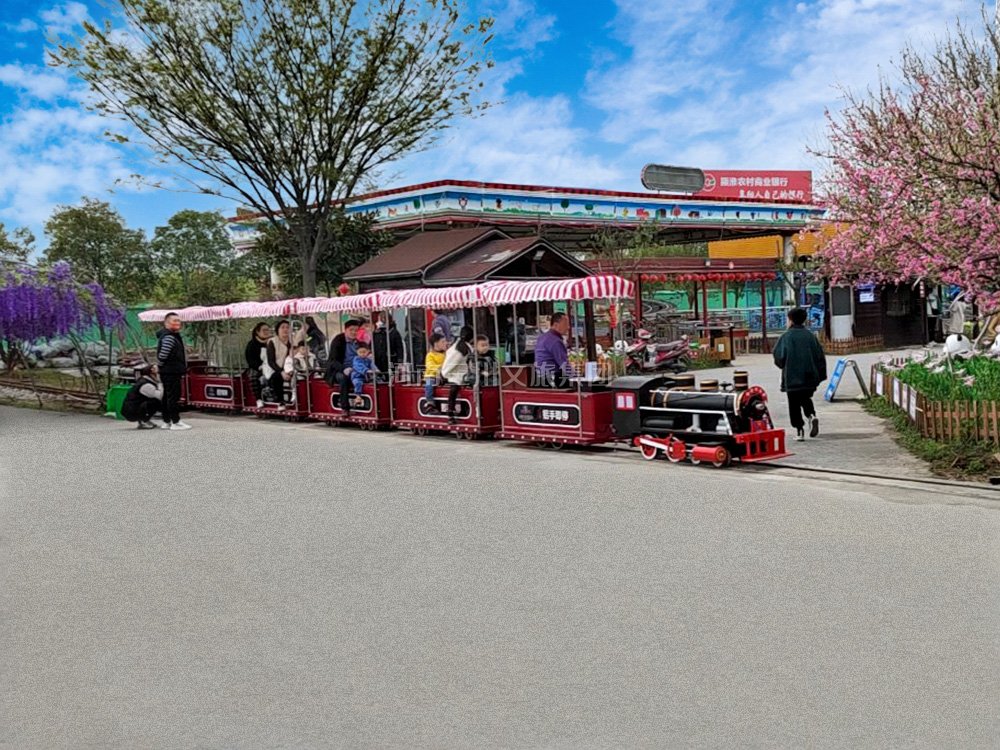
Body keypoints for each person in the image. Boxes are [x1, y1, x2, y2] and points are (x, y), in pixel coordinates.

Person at [773, 307, 828, 442]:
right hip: (809, 377)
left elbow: (779, 357)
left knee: (794, 404)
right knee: (805, 398)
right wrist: (820, 375)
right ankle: (811, 415)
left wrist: (783, 366)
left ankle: (799, 430)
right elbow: (820, 356)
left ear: (790, 320)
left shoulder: (786, 337)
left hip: (792, 377)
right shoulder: (810, 336)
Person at [156, 312, 190, 430]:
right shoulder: (169, 337)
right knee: (173, 397)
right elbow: (163, 355)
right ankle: (176, 421)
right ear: (166, 323)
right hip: (171, 371)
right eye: (174, 320)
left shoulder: (168, 336)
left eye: (178, 321)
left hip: (168, 371)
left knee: (167, 396)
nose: (177, 323)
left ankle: (167, 421)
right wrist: (162, 366)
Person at [325, 318, 361, 412]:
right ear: (345, 330)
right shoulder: (338, 340)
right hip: (338, 369)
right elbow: (333, 361)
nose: (354, 332)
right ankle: (344, 407)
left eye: (356, 330)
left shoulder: (358, 343)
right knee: (343, 378)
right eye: (351, 330)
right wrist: (344, 369)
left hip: (356, 368)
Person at [440, 326, 474, 423]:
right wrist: (444, 374)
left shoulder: (461, 346)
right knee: (454, 389)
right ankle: (450, 413)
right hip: (455, 375)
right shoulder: (460, 349)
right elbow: (450, 363)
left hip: (461, 374)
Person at [533, 312, 572, 388]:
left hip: (540, 377)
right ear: (556, 324)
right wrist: (577, 377)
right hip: (552, 379)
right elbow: (564, 364)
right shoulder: (555, 341)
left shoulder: (542, 337)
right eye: (565, 324)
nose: (568, 327)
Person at [121, 363, 162, 429]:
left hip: (132, 409)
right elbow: (160, 396)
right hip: (131, 412)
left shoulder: (144, 381)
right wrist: (161, 383)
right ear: (151, 373)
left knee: (153, 401)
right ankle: (144, 420)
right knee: (155, 402)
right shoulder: (146, 385)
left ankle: (145, 420)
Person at [263, 319, 293, 410]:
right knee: (277, 377)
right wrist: (281, 372)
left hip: (290, 367)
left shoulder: (292, 341)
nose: (285, 330)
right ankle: (281, 402)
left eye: (287, 327)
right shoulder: (272, 341)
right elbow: (271, 361)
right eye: (282, 327)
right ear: (278, 330)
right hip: (274, 369)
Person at [245, 322, 271, 408]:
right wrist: (259, 367)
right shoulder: (252, 344)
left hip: (271, 365)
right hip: (257, 367)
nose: (266, 332)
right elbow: (250, 360)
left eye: (268, 330)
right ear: (258, 331)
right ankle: (258, 399)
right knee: (253, 376)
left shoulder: (271, 342)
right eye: (264, 330)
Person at [423, 333, 448, 412]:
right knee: (429, 384)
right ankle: (430, 402)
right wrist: (440, 368)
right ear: (436, 344)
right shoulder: (430, 355)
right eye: (443, 342)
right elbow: (430, 366)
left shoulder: (446, 354)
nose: (446, 343)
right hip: (432, 375)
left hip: (444, 375)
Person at [350, 342, 377, 406]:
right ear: (357, 352)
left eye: (364, 352)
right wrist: (366, 370)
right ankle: (358, 395)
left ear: (368, 352)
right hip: (357, 376)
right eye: (360, 352)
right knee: (358, 383)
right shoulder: (356, 359)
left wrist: (375, 370)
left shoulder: (368, 359)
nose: (362, 354)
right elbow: (359, 366)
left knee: (376, 380)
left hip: (366, 377)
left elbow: (372, 365)